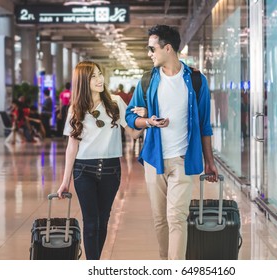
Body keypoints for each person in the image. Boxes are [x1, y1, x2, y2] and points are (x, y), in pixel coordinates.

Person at [125, 25, 218, 260]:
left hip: (183, 161)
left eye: (152, 48)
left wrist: (210, 161)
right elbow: (130, 117)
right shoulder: (147, 81)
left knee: (176, 217)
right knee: (160, 220)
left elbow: (204, 125)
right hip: (154, 160)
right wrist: (148, 121)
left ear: (168, 48)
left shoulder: (196, 80)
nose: (149, 53)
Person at [56, 61, 146, 260]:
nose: (99, 80)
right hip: (83, 170)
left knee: (102, 220)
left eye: (99, 74)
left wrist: (146, 122)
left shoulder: (115, 103)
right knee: (90, 222)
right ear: (82, 82)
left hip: (110, 170)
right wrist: (65, 181)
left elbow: (132, 133)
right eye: (93, 77)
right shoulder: (75, 109)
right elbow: (72, 146)